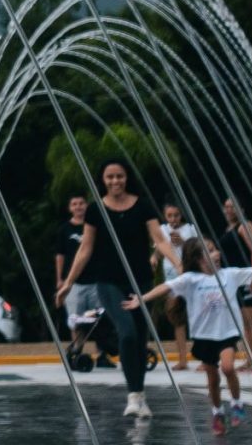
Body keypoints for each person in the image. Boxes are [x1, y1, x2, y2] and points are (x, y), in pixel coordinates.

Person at [128, 238, 252, 433]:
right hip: (204, 337)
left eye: (215, 250)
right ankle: (217, 412)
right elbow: (165, 287)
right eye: (210, 251)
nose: (217, 254)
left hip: (226, 333)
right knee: (212, 379)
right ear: (197, 259)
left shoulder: (229, 275)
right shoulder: (191, 280)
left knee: (228, 368)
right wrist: (141, 299)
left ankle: (237, 403)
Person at [58, 162, 175, 419]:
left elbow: (159, 239)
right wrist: (68, 283)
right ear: (103, 179)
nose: (115, 181)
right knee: (127, 332)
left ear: (126, 178)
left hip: (141, 282)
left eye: (119, 176)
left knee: (140, 338)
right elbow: (85, 248)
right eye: (109, 177)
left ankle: (139, 395)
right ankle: (133, 396)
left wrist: (179, 264)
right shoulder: (95, 210)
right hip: (108, 281)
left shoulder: (142, 205)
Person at [218, 197, 252, 372]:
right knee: (245, 322)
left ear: (241, 209)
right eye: (226, 207)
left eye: (233, 207)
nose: (229, 210)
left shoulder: (246, 226)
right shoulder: (230, 228)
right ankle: (251, 359)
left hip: (248, 278)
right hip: (236, 280)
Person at [52, 195, 93, 348]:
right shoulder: (64, 230)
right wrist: (60, 279)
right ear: (70, 208)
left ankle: (103, 353)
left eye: (81, 203)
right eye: (74, 204)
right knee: (75, 319)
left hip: (94, 280)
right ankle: (78, 349)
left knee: (99, 320)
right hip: (73, 281)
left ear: (86, 205)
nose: (78, 207)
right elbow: (60, 255)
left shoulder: (93, 227)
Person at [160, 203, 200, 347]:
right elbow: (159, 248)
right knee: (175, 315)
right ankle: (182, 358)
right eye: (169, 216)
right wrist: (153, 258)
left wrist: (183, 242)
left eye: (176, 215)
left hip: (189, 274)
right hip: (170, 275)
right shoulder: (162, 230)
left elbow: (198, 250)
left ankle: (202, 352)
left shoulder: (190, 229)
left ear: (181, 214)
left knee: (196, 312)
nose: (173, 219)